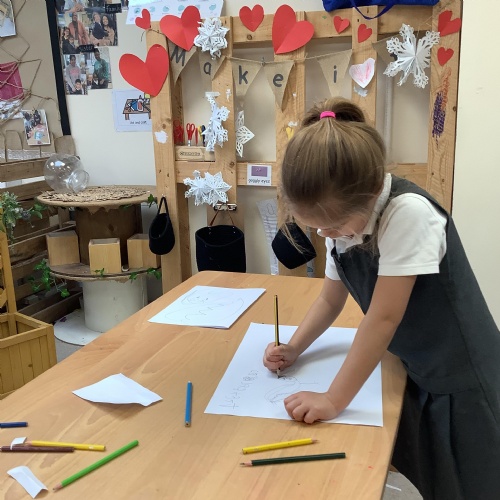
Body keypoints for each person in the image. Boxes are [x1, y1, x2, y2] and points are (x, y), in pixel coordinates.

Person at [263, 97, 500, 499]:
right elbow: (329, 301)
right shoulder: (344, 224)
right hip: (417, 367)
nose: (327, 235)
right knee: (433, 475)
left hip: (462, 379)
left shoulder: (408, 214)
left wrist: (333, 399)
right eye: (319, 229)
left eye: (334, 226)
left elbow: (383, 319)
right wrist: (294, 347)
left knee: (470, 481)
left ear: (371, 192)